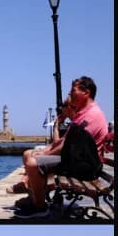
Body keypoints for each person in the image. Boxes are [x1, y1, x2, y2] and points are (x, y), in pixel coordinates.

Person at [15, 76, 108, 217]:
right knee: (28, 153)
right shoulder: (83, 113)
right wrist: (46, 151)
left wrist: (45, 154)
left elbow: (68, 145)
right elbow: (66, 141)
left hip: (84, 166)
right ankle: (33, 199)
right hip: (77, 160)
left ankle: (39, 208)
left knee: (33, 163)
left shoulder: (92, 115)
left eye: (73, 90)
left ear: (86, 93)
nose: (70, 94)